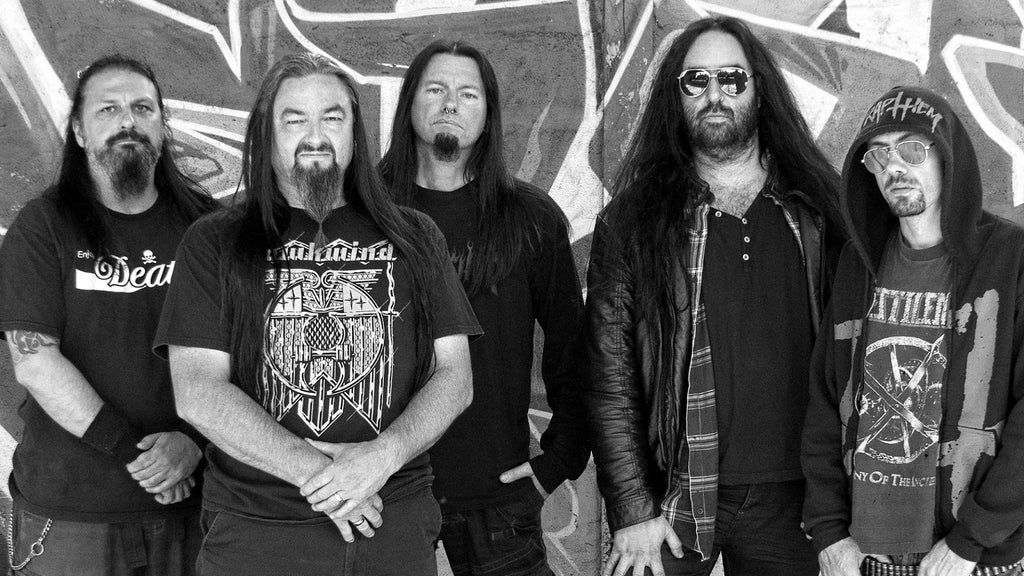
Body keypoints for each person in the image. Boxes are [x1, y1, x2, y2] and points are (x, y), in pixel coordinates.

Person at [154, 52, 480, 576]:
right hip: (258, 533)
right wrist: (327, 480)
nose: (315, 136)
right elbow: (197, 392)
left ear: (354, 133)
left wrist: (381, 458)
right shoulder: (215, 241)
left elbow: (456, 378)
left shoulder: (415, 237)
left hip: (390, 523)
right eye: (294, 120)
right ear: (267, 135)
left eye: (332, 118)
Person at [584, 16, 843, 576]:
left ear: (759, 91)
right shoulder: (632, 223)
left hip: (797, 501)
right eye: (696, 80)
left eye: (732, 78)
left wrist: (843, 507)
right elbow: (610, 377)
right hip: (674, 495)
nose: (714, 94)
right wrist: (632, 508)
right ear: (676, 97)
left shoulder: (820, 212)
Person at [379, 40, 589, 575]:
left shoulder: (529, 218)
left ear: (488, 113)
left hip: (498, 499)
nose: (451, 103)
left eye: (468, 93)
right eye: (436, 89)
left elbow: (573, 350)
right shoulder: (365, 214)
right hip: (382, 494)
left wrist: (558, 461)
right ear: (410, 103)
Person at [0, 54, 216, 575]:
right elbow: (35, 363)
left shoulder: (208, 227)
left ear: (161, 126)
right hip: (71, 513)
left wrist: (196, 444)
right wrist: (136, 456)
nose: (127, 121)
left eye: (143, 108)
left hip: (195, 508)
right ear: (79, 131)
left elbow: (247, 352)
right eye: (108, 109)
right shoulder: (43, 227)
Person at [802, 85, 1024, 576]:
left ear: (947, 158)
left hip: (971, 559)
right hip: (866, 556)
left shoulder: (1010, 259)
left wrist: (971, 540)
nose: (894, 167)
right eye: (879, 154)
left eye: (912, 150)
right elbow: (824, 400)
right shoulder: (857, 265)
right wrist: (829, 531)